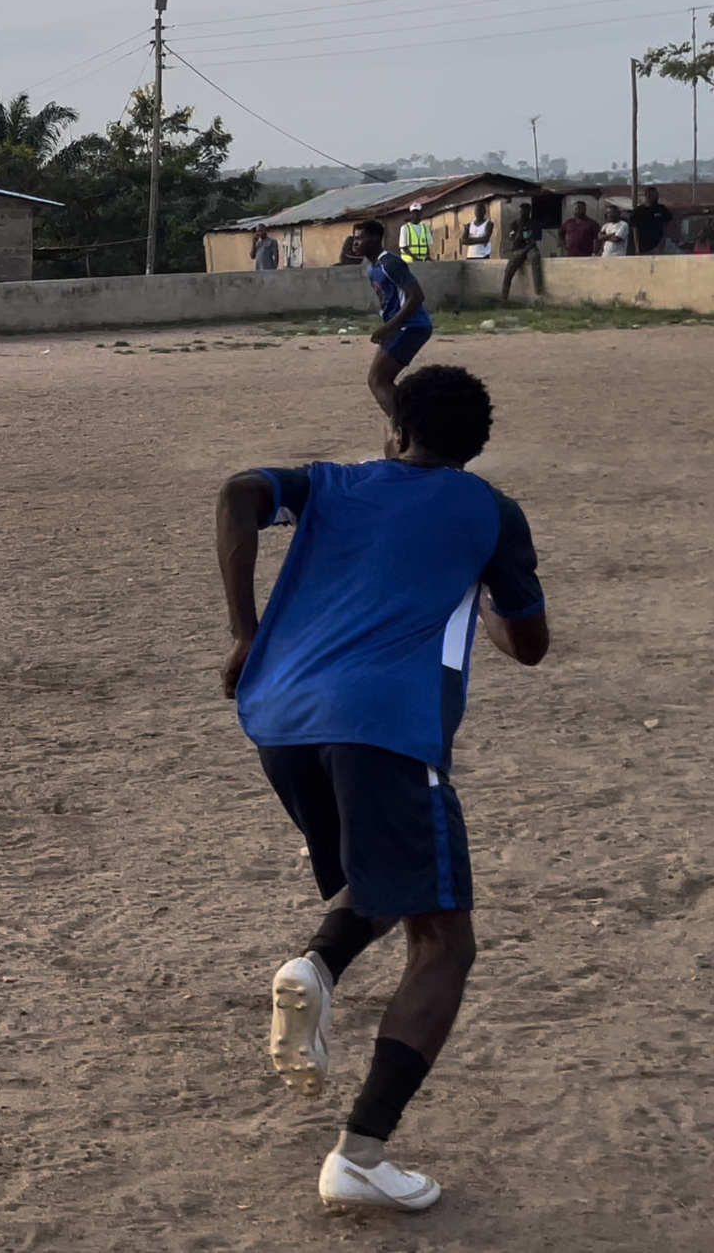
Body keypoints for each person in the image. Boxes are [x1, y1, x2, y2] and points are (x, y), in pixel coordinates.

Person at [215, 364, 548, 1212]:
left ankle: (318, 968)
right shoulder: (491, 513)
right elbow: (531, 641)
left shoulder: (334, 482)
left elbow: (238, 492)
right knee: (444, 939)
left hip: (282, 720)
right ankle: (361, 1154)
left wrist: (245, 632)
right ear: (474, 449)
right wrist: (474, 589)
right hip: (387, 726)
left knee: (388, 873)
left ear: (395, 431)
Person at [352, 219, 431, 423]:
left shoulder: (390, 263)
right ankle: (415, 423)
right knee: (380, 380)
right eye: (354, 238)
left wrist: (389, 327)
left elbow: (416, 296)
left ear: (376, 238)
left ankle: (406, 432)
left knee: (378, 380)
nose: (355, 243)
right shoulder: (372, 268)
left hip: (410, 326)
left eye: (360, 238)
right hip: (401, 327)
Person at [499, 203, 545, 305]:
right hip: (517, 249)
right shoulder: (514, 224)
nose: (523, 213)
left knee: (535, 257)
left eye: (525, 211)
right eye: (521, 211)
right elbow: (512, 239)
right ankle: (503, 298)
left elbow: (533, 241)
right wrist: (519, 230)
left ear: (529, 212)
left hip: (530, 248)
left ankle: (539, 289)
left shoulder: (535, 224)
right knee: (508, 271)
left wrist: (524, 251)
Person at [630, 185, 674, 254]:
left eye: (657, 195)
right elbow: (635, 230)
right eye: (654, 196)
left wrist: (663, 241)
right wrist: (637, 248)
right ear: (648, 196)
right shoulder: (638, 212)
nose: (656, 198)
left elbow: (666, 226)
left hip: (659, 246)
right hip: (644, 247)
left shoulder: (661, 209)